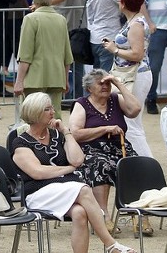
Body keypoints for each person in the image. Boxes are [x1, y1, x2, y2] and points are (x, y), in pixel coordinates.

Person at [12, 93, 138, 253]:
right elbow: (37, 172)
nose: (53, 112)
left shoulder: (57, 135)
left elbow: (78, 160)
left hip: (65, 189)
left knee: (79, 213)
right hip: (38, 193)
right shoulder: (21, 142)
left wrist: (66, 132)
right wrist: (68, 169)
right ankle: (111, 244)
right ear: (34, 112)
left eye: (52, 107)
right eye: (47, 109)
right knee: (84, 189)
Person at [69, 69, 141, 231]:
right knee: (102, 165)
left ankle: (137, 214)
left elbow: (135, 110)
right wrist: (105, 129)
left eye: (108, 83)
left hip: (119, 147)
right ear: (89, 88)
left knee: (135, 165)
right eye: (101, 83)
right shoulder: (82, 104)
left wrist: (119, 84)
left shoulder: (115, 99)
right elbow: (75, 133)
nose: (105, 86)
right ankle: (104, 215)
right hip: (91, 149)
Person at [100, 0, 153, 158]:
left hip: (136, 75)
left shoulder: (136, 24)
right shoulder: (135, 21)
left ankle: (148, 165)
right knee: (132, 123)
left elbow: (137, 54)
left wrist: (114, 49)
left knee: (132, 124)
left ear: (123, 3)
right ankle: (140, 163)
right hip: (133, 75)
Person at [13, 0, 72, 113]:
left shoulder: (30, 19)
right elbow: (67, 55)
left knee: (32, 116)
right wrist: (66, 80)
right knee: (54, 116)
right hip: (57, 77)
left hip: (35, 78)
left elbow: (25, 54)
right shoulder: (61, 19)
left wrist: (19, 81)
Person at [52, 0, 89, 99]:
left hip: (65, 24)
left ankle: (66, 95)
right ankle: (78, 96)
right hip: (80, 23)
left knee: (63, 62)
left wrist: (43, 2)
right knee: (77, 63)